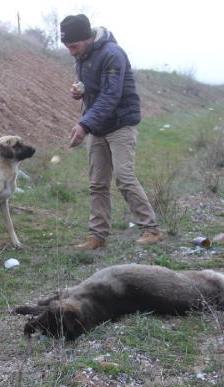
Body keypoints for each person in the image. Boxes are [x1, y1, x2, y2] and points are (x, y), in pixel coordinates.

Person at [60, 14, 161, 250]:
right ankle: (98, 235)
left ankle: (151, 229)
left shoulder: (112, 53)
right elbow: (95, 90)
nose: (71, 51)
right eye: (67, 46)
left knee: (124, 178)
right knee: (97, 183)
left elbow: (110, 95)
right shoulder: (82, 57)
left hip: (120, 124)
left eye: (73, 46)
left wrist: (84, 125)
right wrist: (80, 92)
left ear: (87, 38)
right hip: (98, 126)